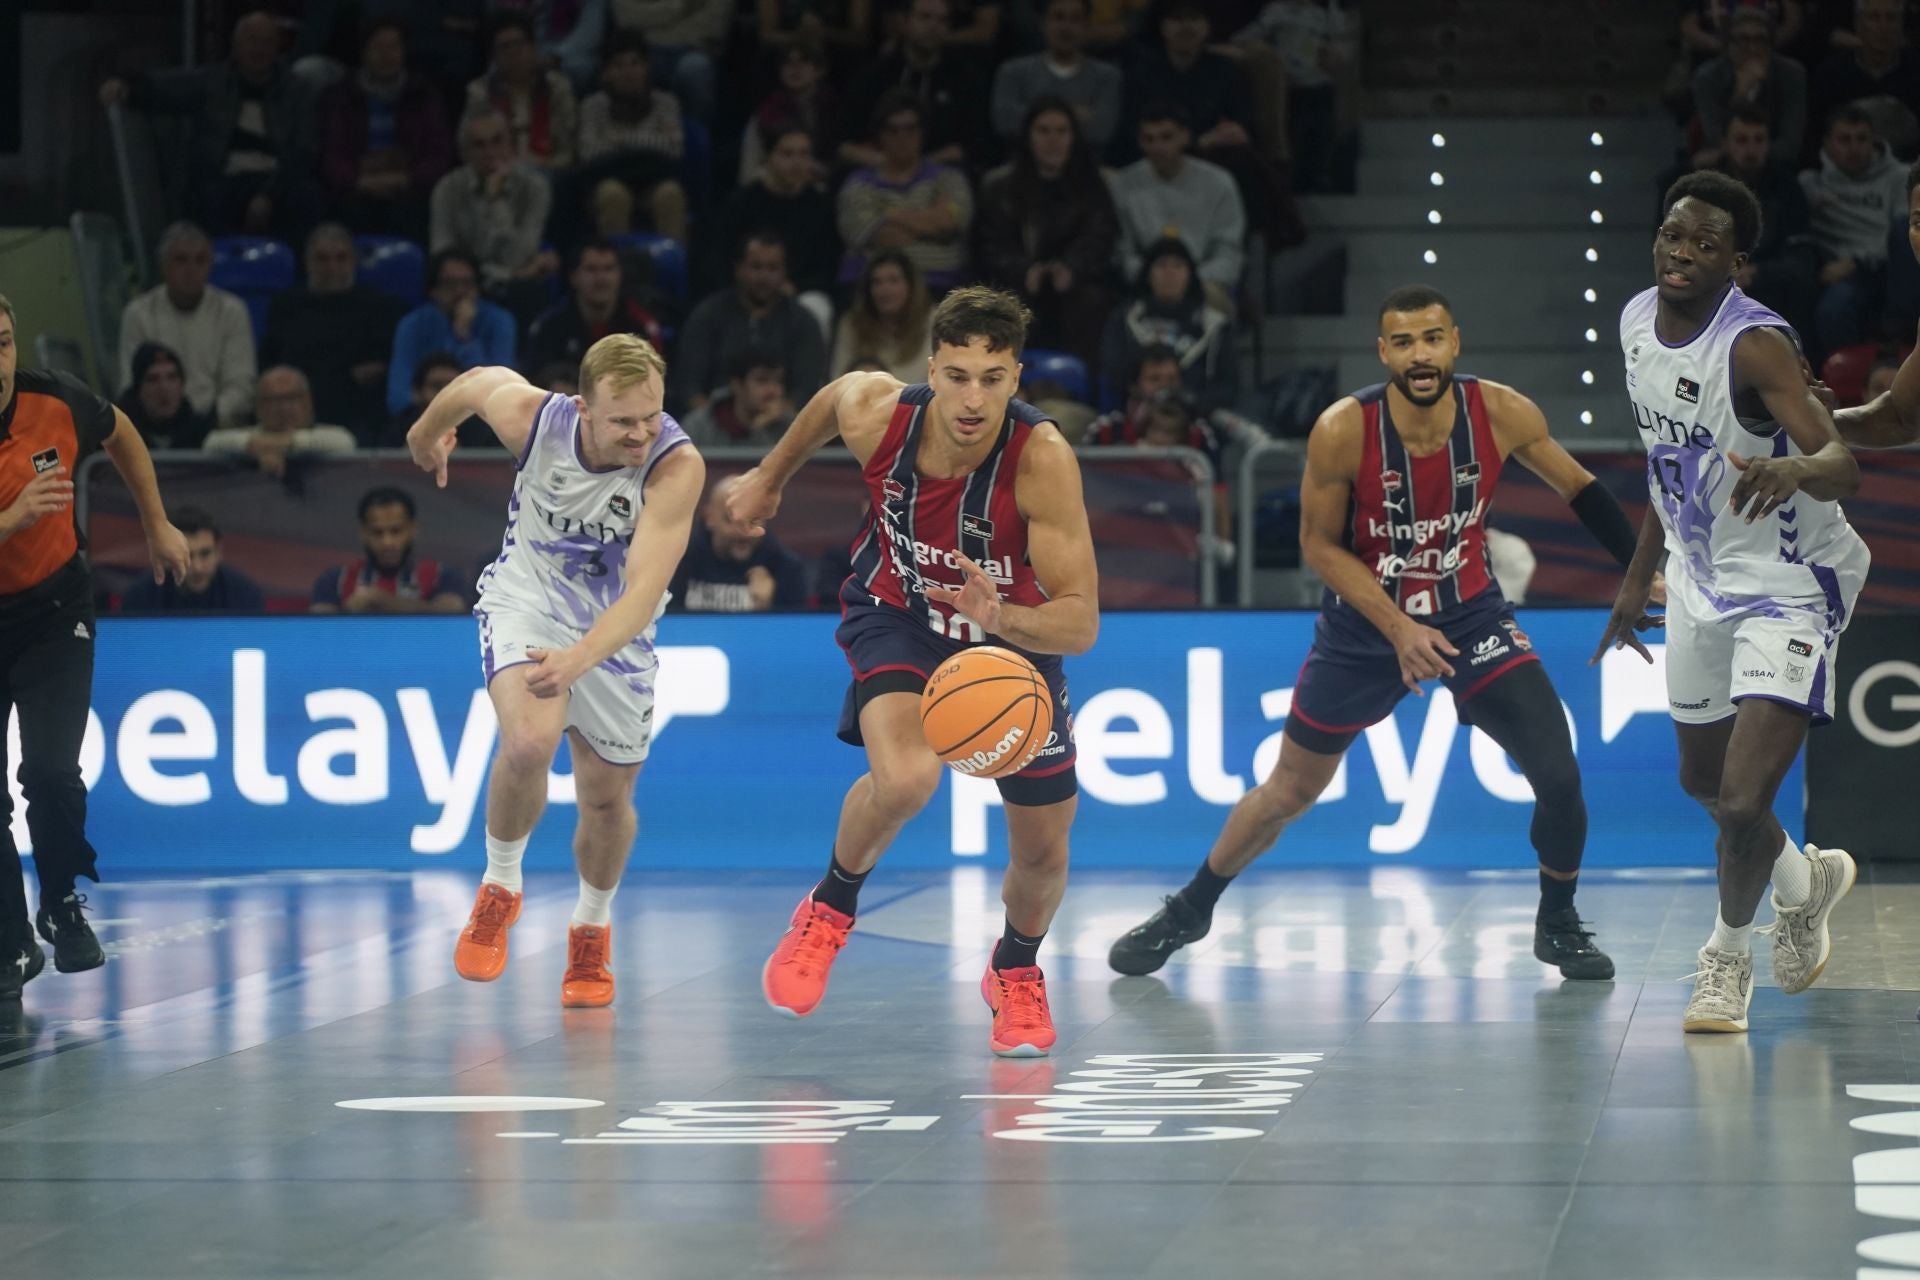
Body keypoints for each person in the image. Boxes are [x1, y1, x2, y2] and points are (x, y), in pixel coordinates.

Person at [1108, 284, 1650, 985]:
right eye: (1403, 342)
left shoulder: (1502, 411)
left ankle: (1558, 922)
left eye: (1432, 339)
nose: (1420, 355)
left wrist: (1642, 575)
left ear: (1454, 343)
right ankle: (1190, 909)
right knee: (1289, 791)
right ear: (1383, 352)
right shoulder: (1343, 429)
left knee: (1559, 773)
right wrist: (1398, 628)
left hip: (1472, 615)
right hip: (1364, 627)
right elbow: (1318, 545)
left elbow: (1581, 489)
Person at [727, 286, 1099, 1057]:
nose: (973, 399)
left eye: (992, 380)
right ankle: (828, 909)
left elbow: (1081, 623)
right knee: (904, 781)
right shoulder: (881, 416)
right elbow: (834, 397)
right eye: (957, 376)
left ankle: (1015, 968)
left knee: (1043, 850)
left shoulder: (1041, 459)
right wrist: (769, 476)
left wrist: (1002, 619)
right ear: (931, 370)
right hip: (899, 614)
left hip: (1010, 644)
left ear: (1016, 378)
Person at [1601, 171, 1866, 1034]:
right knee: (1703, 783)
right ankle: (1805, 882)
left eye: (1705, 244)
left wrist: (1794, 466)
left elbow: (1843, 466)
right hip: (1698, 576)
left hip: (1790, 584)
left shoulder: (1754, 346)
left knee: (1745, 803)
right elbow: (1666, 466)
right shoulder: (1634, 321)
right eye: (1673, 235)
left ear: (1736, 263)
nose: (1682, 253)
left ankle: (1725, 960)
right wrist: (1638, 576)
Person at [405, 334, 703, 1006]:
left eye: (651, 415)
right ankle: (500, 886)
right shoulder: (538, 421)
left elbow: (641, 595)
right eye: (622, 420)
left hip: (616, 633)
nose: (640, 432)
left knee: (606, 801)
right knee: (529, 742)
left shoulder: (675, 467)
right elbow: (476, 381)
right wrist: (426, 434)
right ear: (583, 409)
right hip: (528, 600)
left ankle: (591, 929)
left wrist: (579, 659)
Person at [0, 293, 190, 1000]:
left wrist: (156, 524)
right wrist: (10, 518)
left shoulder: (54, 399)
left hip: (54, 612)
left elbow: (121, 432)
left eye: (3, 342)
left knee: (51, 772)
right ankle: (10, 942)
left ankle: (59, 903)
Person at [98, 10, 319, 239]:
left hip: (277, 182)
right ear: (236, 46)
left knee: (307, 196)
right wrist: (126, 86)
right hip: (223, 180)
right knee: (207, 198)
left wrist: (269, 195)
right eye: (252, 40)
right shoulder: (213, 82)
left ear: (278, 48)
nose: (259, 49)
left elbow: (305, 151)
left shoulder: (297, 91)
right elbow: (164, 88)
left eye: (267, 42)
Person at [975, 96, 1119, 369]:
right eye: (1043, 131)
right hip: (1018, 281)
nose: (1053, 140)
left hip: (1076, 284)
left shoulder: (1093, 185)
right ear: (1028, 137)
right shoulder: (1000, 187)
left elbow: (1099, 237)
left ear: (1073, 137)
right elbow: (991, 244)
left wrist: (1072, 268)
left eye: (1061, 131)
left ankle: (1080, 382)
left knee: (1091, 301)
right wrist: (1024, 270)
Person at [261, 223, 404, 437]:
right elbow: (276, 365)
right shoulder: (286, 306)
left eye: (341, 258)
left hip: (359, 416)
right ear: (307, 262)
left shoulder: (380, 308)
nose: (332, 268)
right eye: (322, 259)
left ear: (353, 261)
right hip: (295, 412)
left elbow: (378, 373)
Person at [318, 17, 453, 241]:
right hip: (357, 188)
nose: (387, 55)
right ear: (364, 53)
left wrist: (406, 179)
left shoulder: (424, 94)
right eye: (378, 47)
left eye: (393, 47)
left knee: (413, 210)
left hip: (410, 188)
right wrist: (358, 181)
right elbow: (331, 155)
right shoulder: (341, 96)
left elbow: (439, 154)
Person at [118, 222, 258, 429]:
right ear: (164, 266)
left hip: (218, 427)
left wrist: (206, 422)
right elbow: (131, 385)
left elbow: (242, 385)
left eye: (200, 260)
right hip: (155, 429)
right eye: (181, 260)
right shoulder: (139, 313)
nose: (191, 269)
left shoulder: (232, 311)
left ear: (210, 266)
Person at [674, 231, 828, 413]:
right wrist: (712, 423)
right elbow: (690, 386)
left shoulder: (803, 322)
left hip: (781, 422)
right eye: (756, 266)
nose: (764, 276)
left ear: (785, 272)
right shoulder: (708, 315)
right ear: (738, 269)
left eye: (773, 268)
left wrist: (779, 418)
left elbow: (805, 391)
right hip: (714, 421)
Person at [836, 91, 975, 293]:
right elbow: (882, 236)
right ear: (880, 135)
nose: (902, 137)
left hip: (941, 286)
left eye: (910, 129)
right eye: (893, 130)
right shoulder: (858, 184)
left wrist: (890, 214)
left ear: (922, 132)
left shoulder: (949, 179)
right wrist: (931, 222)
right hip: (872, 289)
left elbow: (950, 222)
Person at [1108, 104, 1246, 306]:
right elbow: (1123, 252)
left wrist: (1185, 279)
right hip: (1144, 283)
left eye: (1166, 137)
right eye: (1149, 139)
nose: (1157, 147)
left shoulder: (1219, 183)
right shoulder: (1123, 184)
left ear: (1185, 137)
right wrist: (1156, 278)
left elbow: (1228, 252)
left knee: (1214, 299)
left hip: (1204, 281)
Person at [1800, 104, 1907, 354]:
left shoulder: (1899, 177)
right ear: (1827, 144)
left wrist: (1859, 262)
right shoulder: (1811, 184)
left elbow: (1906, 236)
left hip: (1892, 267)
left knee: (1907, 229)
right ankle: (1846, 373)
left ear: (1874, 141)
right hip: (1845, 275)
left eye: (1862, 139)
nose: (1854, 148)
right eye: (1845, 140)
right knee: (1833, 307)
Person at [574, 29, 690, 243]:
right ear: (605, 73)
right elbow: (589, 154)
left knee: (670, 193)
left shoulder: (666, 103)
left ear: (647, 68)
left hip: (653, 183)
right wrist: (643, 148)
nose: (628, 72)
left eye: (635, 63)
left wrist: (617, 145)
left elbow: (673, 150)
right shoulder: (591, 106)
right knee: (613, 195)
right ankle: (614, 263)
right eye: (618, 65)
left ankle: (675, 261)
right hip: (605, 184)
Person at [1098, 236, 1237, 412]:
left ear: (1190, 275)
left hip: (1197, 414)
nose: (1170, 273)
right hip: (1133, 414)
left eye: (1178, 265)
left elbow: (1228, 387)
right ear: (1148, 274)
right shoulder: (1124, 320)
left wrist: (1189, 403)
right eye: (1162, 265)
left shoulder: (1215, 326)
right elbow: (1113, 373)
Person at [387, 249, 518, 414]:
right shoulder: (413, 324)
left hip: (479, 417)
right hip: (423, 414)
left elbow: (499, 391)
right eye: (450, 284)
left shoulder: (500, 321)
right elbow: (398, 397)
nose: (460, 292)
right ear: (433, 290)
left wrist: (464, 335)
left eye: (467, 283)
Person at [310, 486, 469, 614]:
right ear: (363, 533)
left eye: (396, 531)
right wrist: (348, 610)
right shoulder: (335, 581)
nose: (387, 542)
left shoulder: (442, 576)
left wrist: (382, 601)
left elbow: (453, 612)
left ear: (413, 529)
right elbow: (318, 630)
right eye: (377, 532)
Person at [989, 0, 1122, 152]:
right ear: (1043, 24)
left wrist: (1032, 113)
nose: (1066, 27)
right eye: (1058, 17)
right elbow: (1004, 122)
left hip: (1086, 164)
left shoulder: (1107, 76)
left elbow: (1101, 130)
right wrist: (1075, 114)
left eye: (1075, 19)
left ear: (1086, 26)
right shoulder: (1012, 72)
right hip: (1023, 163)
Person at [524, 239, 666, 377]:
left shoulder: (642, 327)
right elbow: (536, 382)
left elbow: (654, 382)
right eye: (591, 269)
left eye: (608, 269)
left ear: (620, 275)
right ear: (573, 277)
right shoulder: (549, 327)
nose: (601, 278)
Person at [670, 474, 809, 611]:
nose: (743, 532)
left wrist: (767, 608)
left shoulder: (786, 567)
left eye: (753, 520)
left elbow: (798, 623)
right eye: (731, 520)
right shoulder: (678, 561)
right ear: (709, 518)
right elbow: (665, 617)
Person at [467, 12, 579, 174]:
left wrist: (544, 164)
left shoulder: (557, 87)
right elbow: (468, 147)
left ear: (533, 49)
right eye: (505, 47)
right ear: (493, 57)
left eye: (518, 44)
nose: (513, 52)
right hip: (497, 173)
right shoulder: (480, 92)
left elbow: (568, 150)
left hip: (552, 173)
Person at [204, 366, 357, 479]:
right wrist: (252, 444)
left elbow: (346, 442)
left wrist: (288, 442)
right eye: (274, 400)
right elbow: (211, 442)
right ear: (258, 406)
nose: (284, 408)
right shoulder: (251, 434)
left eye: (291, 398)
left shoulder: (325, 435)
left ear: (308, 402)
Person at [118, 506, 265, 613]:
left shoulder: (245, 595)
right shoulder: (141, 597)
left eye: (205, 554)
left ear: (219, 552)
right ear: (171, 556)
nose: (197, 567)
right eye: (187, 556)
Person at [831, 249, 935, 381]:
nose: (885, 290)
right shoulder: (851, 324)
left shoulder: (934, 322)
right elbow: (839, 378)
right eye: (877, 282)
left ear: (911, 286)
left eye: (893, 280)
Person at [680, 347, 795, 449]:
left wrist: (760, 431)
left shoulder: (789, 426)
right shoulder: (698, 426)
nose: (773, 391)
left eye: (779, 381)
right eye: (762, 380)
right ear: (737, 385)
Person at [117, 342, 212, 449]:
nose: (164, 388)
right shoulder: (117, 436)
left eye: (172, 377)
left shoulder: (201, 434)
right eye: (153, 379)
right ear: (138, 389)